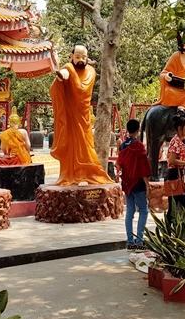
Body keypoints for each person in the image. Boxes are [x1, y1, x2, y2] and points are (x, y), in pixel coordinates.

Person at [49, 46, 114, 186]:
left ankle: (90, 173)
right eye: (77, 57)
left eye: (84, 57)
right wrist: (61, 79)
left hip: (82, 116)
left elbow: (81, 91)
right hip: (69, 116)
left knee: (86, 146)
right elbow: (56, 88)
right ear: (71, 56)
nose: (81, 60)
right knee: (69, 144)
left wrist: (69, 70)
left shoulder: (90, 71)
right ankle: (69, 175)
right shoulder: (67, 69)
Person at [116, 119, 152, 251]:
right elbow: (142, 168)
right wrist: (147, 184)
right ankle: (139, 241)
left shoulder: (123, 145)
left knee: (130, 211)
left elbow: (120, 164)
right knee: (143, 210)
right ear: (138, 130)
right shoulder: (139, 146)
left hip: (126, 182)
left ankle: (130, 242)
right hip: (138, 182)